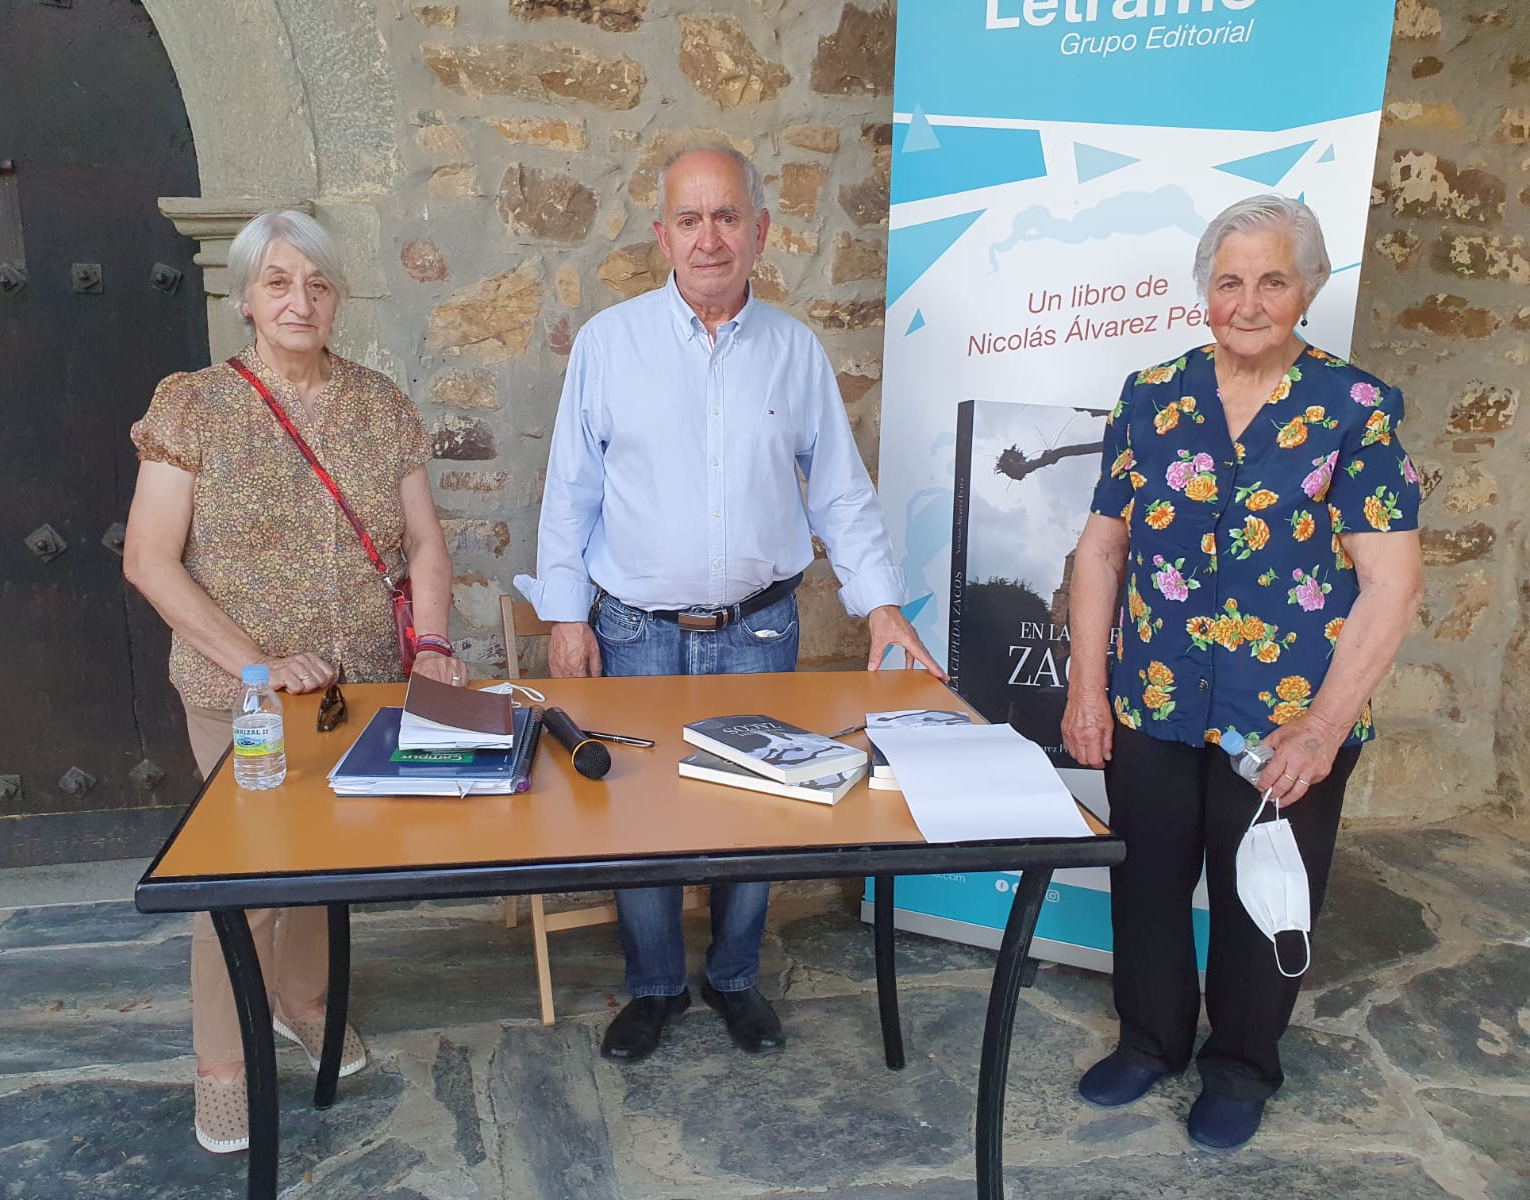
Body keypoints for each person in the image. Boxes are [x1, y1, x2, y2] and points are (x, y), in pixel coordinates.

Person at [514, 144, 944, 1064]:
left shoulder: (794, 350)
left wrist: (878, 605)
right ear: (662, 235)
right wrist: (564, 616)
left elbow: (839, 492)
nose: (708, 238)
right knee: (637, 821)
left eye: (726, 218)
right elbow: (570, 491)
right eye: (689, 219)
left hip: (758, 628)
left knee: (760, 810)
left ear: (760, 231)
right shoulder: (609, 343)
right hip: (632, 630)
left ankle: (736, 978)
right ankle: (658, 985)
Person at [1061, 195, 1424, 1150]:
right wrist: (1087, 687)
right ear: (1205, 296)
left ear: (1307, 289)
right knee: (1145, 882)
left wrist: (1323, 728)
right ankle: (1149, 1042)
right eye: (1230, 281)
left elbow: (1391, 584)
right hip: (1154, 700)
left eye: (1272, 279)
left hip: (1289, 716)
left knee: (1263, 896)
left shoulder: (1355, 408)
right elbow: (1099, 553)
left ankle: (1241, 1066)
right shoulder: (1151, 396)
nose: (1250, 300)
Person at [123, 210, 462, 1153]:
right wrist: (256, 664)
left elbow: (426, 541)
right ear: (244, 298)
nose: (299, 301)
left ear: (336, 296)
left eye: (315, 283)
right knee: (241, 879)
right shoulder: (193, 404)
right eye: (277, 282)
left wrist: (430, 641)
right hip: (240, 696)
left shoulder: (379, 403)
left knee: (325, 865)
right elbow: (151, 560)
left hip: (358, 687)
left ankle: (302, 1001)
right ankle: (223, 1064)